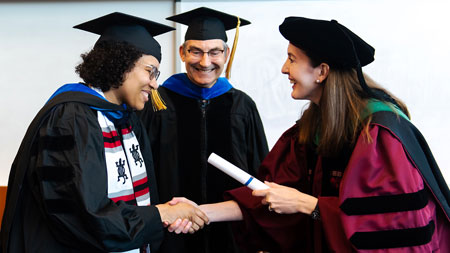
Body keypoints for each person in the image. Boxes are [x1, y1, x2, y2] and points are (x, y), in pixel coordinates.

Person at [173, 16, 450, 252]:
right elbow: (267, 196)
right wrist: (200, 211)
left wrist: (309, 205)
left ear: (322, 72)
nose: (284, 69)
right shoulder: (310, 129)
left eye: (292, 59)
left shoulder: (379, 135)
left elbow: (392, 227)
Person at [0, 12, 209, 253]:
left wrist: (167, 214)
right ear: (120, 64)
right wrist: (161, 213)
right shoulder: (72, 118)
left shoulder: (129, 120)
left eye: (156, 74)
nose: (155, 83)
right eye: (150, 71)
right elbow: (82, 214)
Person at [137, 7, 269, 253]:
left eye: (214, 52)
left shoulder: (241, 105)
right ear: (182, 53)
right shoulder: (157, 103)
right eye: (195, 51)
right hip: (171, 232)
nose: (205, 62)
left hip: (232, 235)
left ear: (226, 53)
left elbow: (259, 174)